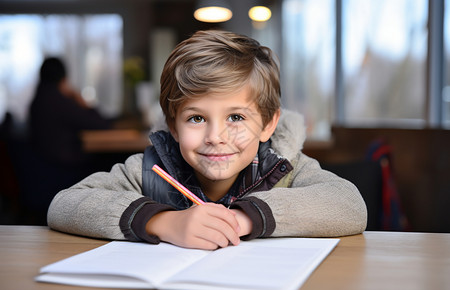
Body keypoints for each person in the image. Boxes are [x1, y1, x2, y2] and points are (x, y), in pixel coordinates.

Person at [48, 30, 367, 249]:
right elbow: (64, 205)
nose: (216, 137)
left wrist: (243, 218)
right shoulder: (149, 169)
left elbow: (349, 204)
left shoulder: (284, 166)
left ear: (268, 125)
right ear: (173, 126)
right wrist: (164, 223)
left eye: (237, 117)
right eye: (196, 118)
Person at [25, 57, 111, 223]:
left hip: (43, 171)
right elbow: (100, 124)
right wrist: (80, 100)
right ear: (63, 79)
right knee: (109, 162)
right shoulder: (59, 101)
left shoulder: (37, 101)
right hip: (65, 169)